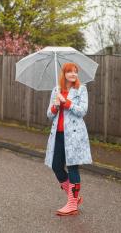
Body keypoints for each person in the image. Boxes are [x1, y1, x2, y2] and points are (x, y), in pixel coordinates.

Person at [45, 62, 92, 216]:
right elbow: (49, 115)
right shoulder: (56, 90)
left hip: (74, 134)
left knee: (72, 167)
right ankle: (75, 198)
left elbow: (82, 111)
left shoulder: (81, 89)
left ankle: (72, 204)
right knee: (56, 166)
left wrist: (68, 103)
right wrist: (55, 106)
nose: (73, 74)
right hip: (58, 134)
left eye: (75, 72)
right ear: (64, 74)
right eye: (70, 71)